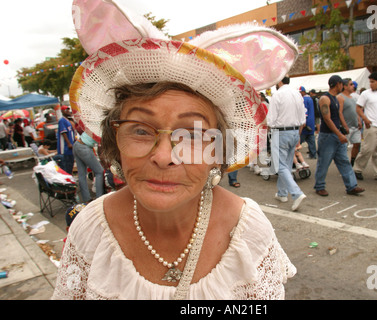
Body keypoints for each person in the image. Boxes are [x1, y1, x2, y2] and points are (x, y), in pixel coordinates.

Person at [53, 1, 297, 300]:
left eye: (192, 136)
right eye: (141, 130)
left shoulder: (247, 231)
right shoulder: (89, 230)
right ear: (115, 142)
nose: (164, 156)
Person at [314, 75, 364, 197]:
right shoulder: (325, 99)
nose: (343, 86)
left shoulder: (336, 98)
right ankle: (319, 186)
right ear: (337, 84)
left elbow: (338, 116)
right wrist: (339, 134)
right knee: (324, 162)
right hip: (328, 136)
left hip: (337, 135)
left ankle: (351, 186)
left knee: (344, 161)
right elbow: (327, 119)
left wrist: (343, 128)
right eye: (342, 84)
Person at [267, 76, 307, 211]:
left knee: (280, 165)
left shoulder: (277, 94)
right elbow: (303, 118)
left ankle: (296, 193)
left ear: (279, 81)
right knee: (287, 164)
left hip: (281, 132)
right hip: (295, 131)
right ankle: (282, 193)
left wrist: (269, 128)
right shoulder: (297, 94)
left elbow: (271, 119)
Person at [73, 132, 105, 202]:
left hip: (77, 144)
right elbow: (101, 147)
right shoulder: (101, 129)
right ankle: (99, 198)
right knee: (99, 171)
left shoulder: (93, 125)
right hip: (84, 148)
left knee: (82, 175)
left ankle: (86, 199)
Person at [338, 78, 362, 166]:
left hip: (355, 126)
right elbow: (339, 112)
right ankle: (343, 164)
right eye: (351, 84)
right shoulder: (340, 97)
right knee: (343, 147)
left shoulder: (353, 98)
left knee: (357, 144)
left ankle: (352, 162)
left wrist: (359, 120)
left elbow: (356, 111)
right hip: (346, 127)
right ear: (345, 86)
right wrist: (344, 126)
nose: (353, 86)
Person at [57, 106, 75, 175]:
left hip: (70, 148)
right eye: (66, 110)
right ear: (62, 111)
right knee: (66, 166)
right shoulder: (62, 120)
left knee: (70, 165)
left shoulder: (68, 121)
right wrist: (69, 143)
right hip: (65, 148)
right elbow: (63, 132)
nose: (68, 111)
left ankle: (70, 177)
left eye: (68, 109)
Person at [299, 86, 316, 159]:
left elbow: (305, 111)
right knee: (311, 139)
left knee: (299, 140)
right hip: (311, 122)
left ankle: (296, 154)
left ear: (303, 92)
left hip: (306, 122)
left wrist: (304, 121)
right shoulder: (310, 99)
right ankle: (313, 154)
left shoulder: (304, 99)